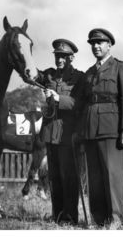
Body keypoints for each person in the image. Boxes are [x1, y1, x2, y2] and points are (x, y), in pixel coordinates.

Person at [72, 28, 123, 226]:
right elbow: (78, 103)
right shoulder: (89, 73)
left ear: (109, 45)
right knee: (96, 179)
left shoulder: (120, 67)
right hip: (91, 130)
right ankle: (98, 220)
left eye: (100, 43)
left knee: (112, 176)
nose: (96, 46)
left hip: (111, 129)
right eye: (93, 43)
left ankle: (116, 220)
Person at [36, 39, 84, 224]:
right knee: (54, 177)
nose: (60, 59)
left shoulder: (79, 78)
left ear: (71, 57)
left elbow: (79, 104)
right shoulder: (49, 75)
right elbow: (31, 75)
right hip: (50, 132)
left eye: (64, 56)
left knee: (69, 177)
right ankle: (58, 215)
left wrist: (58, 98)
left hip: (67, 133)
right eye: (57, 56)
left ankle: (70, 216)